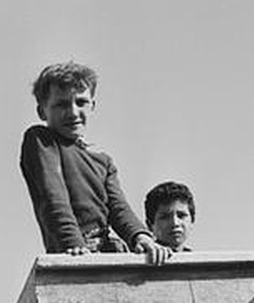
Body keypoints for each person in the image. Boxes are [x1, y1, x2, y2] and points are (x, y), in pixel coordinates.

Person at [20, 61, 170, 265]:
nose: (73, 112)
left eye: (81, 102)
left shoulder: (103, 162)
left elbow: (118, 208)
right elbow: (53, 195)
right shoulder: (41, 140)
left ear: (93, 105)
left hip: (110, 250)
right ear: (42, 112)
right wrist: (72, 242)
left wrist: (140, 236)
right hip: (76, 249)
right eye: (61, 104)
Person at [144, 181, 195, 254]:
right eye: (165, 217)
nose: (175, 223)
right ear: (150, 225)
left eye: (181, 216)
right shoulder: (138, 261)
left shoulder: (200, 262)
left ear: (192, 221)